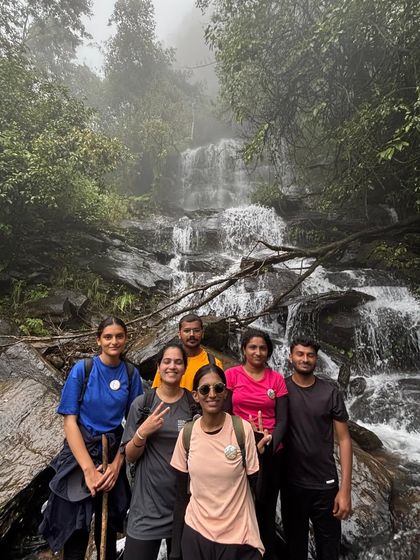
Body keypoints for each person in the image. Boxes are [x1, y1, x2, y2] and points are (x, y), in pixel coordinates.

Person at [40, 317, 143, 560]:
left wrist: (117, 466)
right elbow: (69, 421)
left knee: (107, 528)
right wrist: (89, 470)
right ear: (99, 340)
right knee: (76, 526)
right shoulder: (83, 370)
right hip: (81, 451)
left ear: (125, 339)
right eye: (108, 337)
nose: (114, 341)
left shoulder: (131, 373)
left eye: (119, 336)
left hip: (113, 450)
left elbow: (134, 423)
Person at [170, 364, 266, 560]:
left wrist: (263, 454)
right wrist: (175, 550)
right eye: (205, 389)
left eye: (218, 388)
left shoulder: (242, 430)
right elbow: (181, 495)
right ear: (196, 395)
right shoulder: (187, 435)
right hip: (196, 533)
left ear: (225, 393)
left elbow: (259, 488)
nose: (212, 394)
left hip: (238, 537)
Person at [122, 343, 198, 560]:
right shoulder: (143, 404)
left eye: (178, 362)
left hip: (186, 507)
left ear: (184, 368)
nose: (172, 366)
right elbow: (129, 455)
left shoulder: (193, 404)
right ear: (158, 366)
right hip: (147, 507)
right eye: (167, 361)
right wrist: (142, 433)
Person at [281, 336, 352, 560]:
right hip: (292, 485)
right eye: (300, 354)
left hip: (326, 485)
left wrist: (345, 490)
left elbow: (344, 440)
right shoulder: (280, 389)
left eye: (310, 355)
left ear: (316, 359)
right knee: (295, 550)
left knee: (329, 551)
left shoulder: (330, 392)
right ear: (290, 356)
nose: (305, 359)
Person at [224, 328, 288, 560]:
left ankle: (266, 554)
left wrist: (269, 443)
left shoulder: (277, 379)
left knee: (265, 508)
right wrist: (246, 436)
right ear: (243, 349)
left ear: (269, 352)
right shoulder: (231, 375)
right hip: (239, 450)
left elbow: (283, 420)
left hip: (271, 451)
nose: (258, 352)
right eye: (252, 347)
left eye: (262, 348)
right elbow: (225, 413)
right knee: (237, 506)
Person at [152, 313, 222, 390]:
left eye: (196, 330)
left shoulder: (214, 362)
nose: (192, 334)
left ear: (202, 333)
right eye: (187, 331)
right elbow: (156, 392)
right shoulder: (169, 363)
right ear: (179, 334)